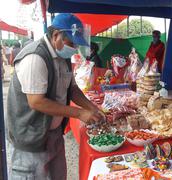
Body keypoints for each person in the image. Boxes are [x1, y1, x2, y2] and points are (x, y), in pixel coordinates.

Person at [7, 13, 105, 180]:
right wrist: (80, 113)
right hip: (32, 139)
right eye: (71, 43)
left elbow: (72, 89)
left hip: (54, 135)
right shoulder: (35, 57)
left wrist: (93, 108)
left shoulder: (63, 56)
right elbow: (37, 102)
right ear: (55, 35)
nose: (74, 48)